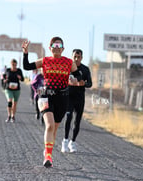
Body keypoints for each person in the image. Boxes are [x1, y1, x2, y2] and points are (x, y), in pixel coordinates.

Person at [22, 37, 81, 168]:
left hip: (62, 97)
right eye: (53, 45)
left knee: (54, 129)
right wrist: (25, 53)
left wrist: (74, 79)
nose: (56, 47)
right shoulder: (45, 60)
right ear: (50, 48)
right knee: (49, 125)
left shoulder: (69, 62)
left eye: (59, 45)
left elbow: (78, 75)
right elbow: (26, 66)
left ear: (63, 48)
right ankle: (48, 156)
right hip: (45, 95)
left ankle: (48, 151)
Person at [61, 49, 92, 153]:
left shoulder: (85, 69)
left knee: (77, 121)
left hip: (80, 98)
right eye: (74, 57)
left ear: (81, 58)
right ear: (72, 56)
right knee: (68, 117)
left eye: (78, 57)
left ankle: (72, 142)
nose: (76, 59)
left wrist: (84, 84)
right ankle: (65, 141)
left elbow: (90, 83)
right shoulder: (67, 68)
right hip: (68, 97)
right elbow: (61, 80)